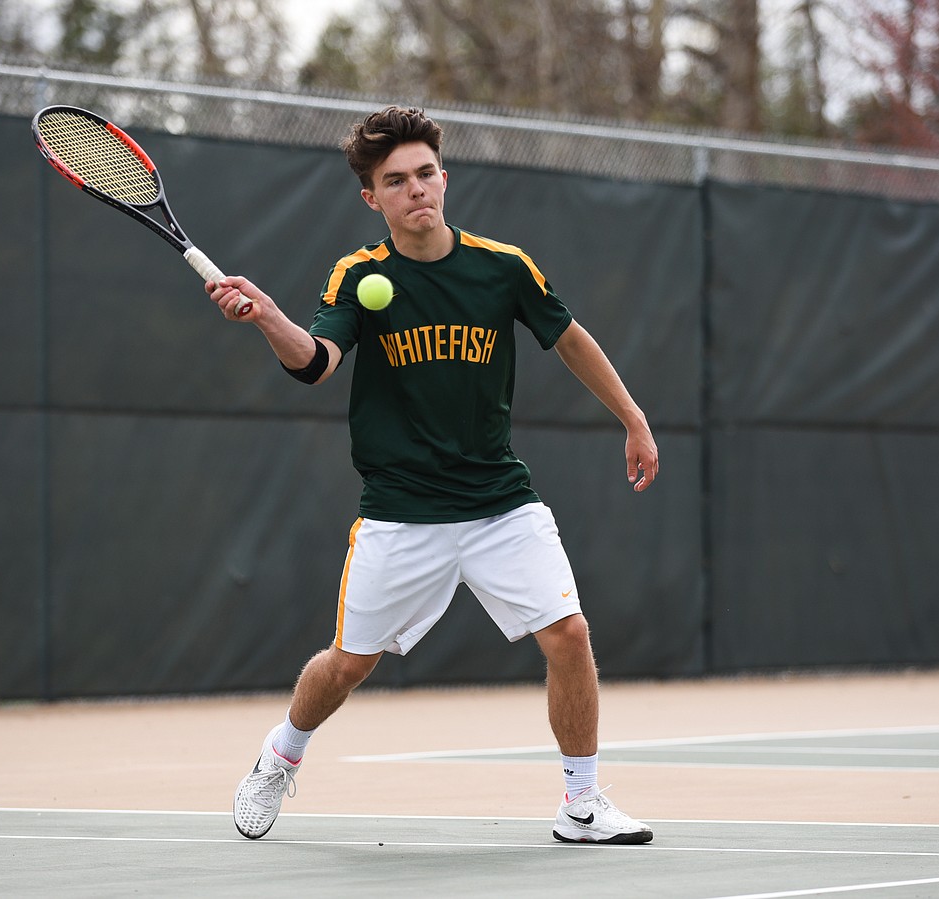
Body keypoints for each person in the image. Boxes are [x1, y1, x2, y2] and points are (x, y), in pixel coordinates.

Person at [208, 105, 659, 845]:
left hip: (499, 500)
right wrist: (264, 315)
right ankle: (280, 754)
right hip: (401, 510)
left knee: (571, 634)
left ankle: (582, 803)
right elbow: (316, 364)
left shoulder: (503, 268)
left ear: (443, 179)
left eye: (425, 174)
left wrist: (634, 417)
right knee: (347, 664)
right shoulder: (361, 277)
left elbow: (570, 339)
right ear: (372, 198)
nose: (415, 189)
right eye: (396, 181)